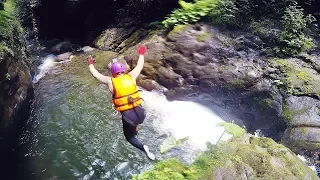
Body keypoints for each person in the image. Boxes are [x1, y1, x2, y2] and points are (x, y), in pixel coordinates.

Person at [87, 45, 155, 160]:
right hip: (141, 112)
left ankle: (143, 147)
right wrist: (141, 53)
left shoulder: (110, 81)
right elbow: (140, 65)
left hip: (129, 117)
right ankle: (135, 129)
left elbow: (96, 74)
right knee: (134, 123)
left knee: (130, 138)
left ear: (113, 73)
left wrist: (90, 63)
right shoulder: (131, 76)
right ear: (123, 70)